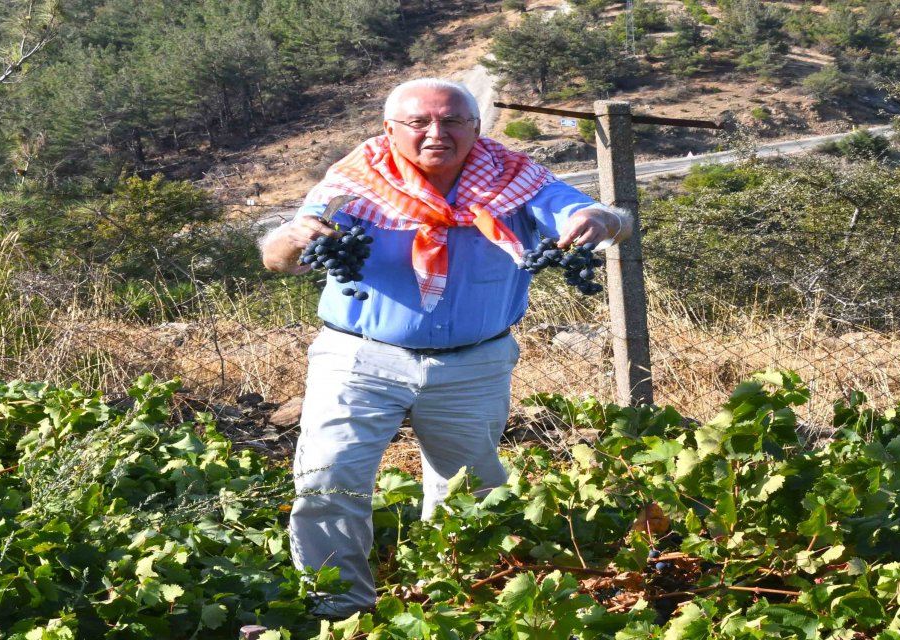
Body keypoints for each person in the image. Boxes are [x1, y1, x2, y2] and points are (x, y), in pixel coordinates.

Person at [258, 77, 630, 618]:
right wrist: (292, 238)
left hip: (474, 363)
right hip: (359, 358)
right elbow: (278, 256)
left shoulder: (516, 181)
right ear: (390, 130)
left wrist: (595, 220)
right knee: (329, 479)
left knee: (469, 490)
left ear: (475, 129)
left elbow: (595, 216)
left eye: (453, 121)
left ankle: (454, 603)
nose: (437, 132)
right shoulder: (353, 186)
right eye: (419, 122)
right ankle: (338, 610)